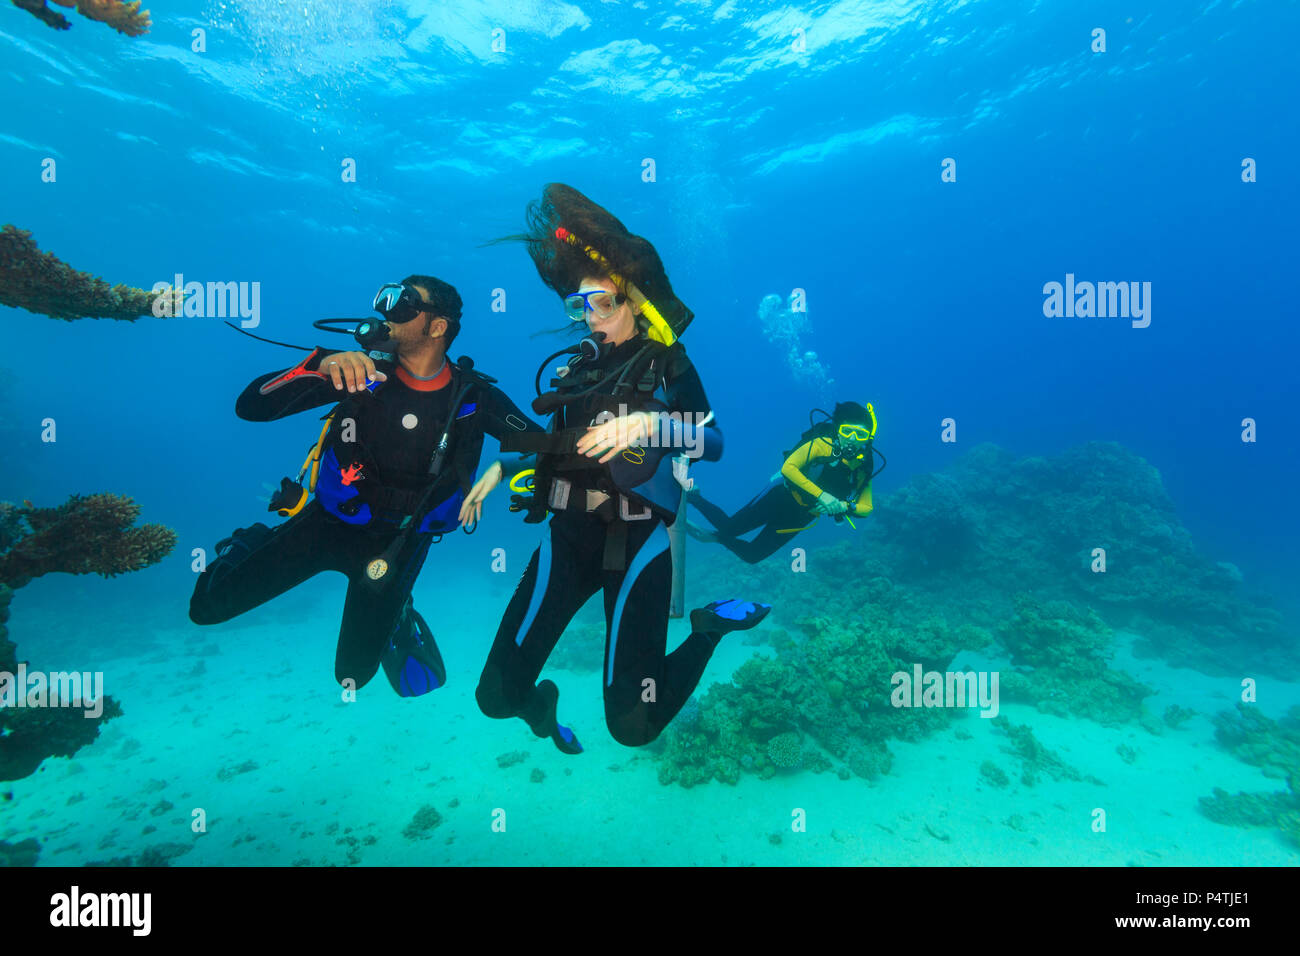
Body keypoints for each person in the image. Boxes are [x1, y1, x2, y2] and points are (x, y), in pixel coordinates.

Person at [475, 184, 771, 754]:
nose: (589, 317)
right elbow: (563, 446)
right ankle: (542, 710)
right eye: (578, 305)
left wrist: (649, 426)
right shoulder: (573, 371)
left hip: (639, 539)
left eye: (602, 302)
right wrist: (501, 464)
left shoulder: (670, 364)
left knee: (633, 727)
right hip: (567, 536)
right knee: (496, 696)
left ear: (634, 300)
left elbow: (714, 444)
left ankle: (706, 632)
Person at [189, 276, 542, 697]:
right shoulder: (359, 373)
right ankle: (250, 542)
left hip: (401, 544)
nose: (385, 312)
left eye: (403, 304)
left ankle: (400, 612)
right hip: (327, 524)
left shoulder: (474, 397)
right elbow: (250, 407)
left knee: (353, 674)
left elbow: (534, 445)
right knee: (207, 609)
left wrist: (508, 477)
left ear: (437, 327)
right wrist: (315, 366)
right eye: (384, 300)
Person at [687, 402, 879, 564]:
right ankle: (694, 498)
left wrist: (845, 506)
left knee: (753, 555)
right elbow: (789, 467)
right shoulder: (822, 444)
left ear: (867, 439)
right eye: (847, 431)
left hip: (803, 515)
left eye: (860, 435)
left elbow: (866, 507)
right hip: (781, 496)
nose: (852, 440)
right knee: (729, 528)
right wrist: (823, 496)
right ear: (837, 429)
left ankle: (713, 538)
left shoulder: (862, 465)